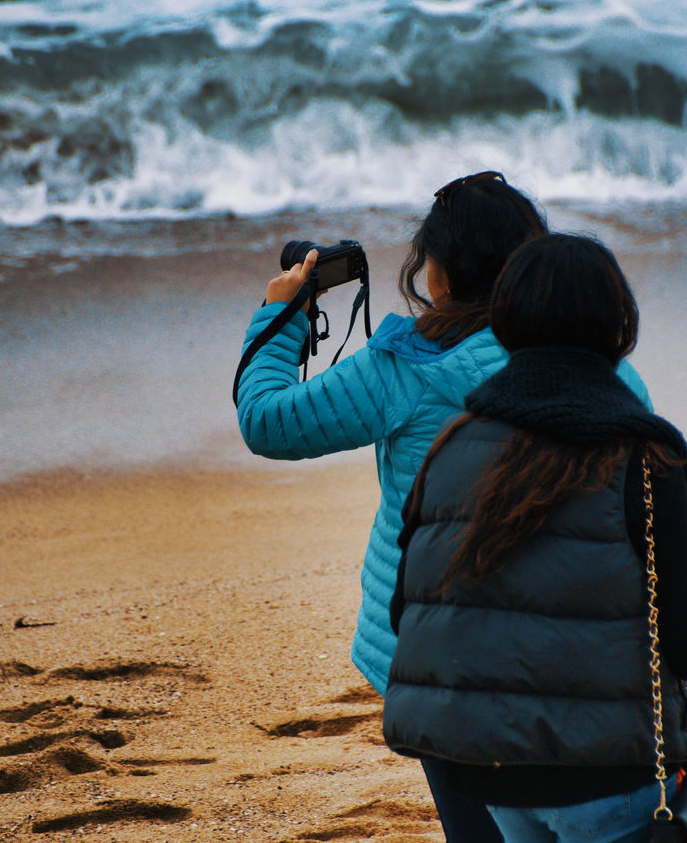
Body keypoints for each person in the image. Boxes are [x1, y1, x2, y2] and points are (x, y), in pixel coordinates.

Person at [236, 174, 653, 841]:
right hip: (575, 648)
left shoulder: (403, 364)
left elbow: (267, 420)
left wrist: (283, 315)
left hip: (441, 649)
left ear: (443, 270)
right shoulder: (607, 366)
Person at [383, 232, 687, 843]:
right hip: (609, 777)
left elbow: (409, 615)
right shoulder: (646, 454)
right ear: (617, 326)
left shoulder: (450, 444)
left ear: (509, 324)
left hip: (490, 774)